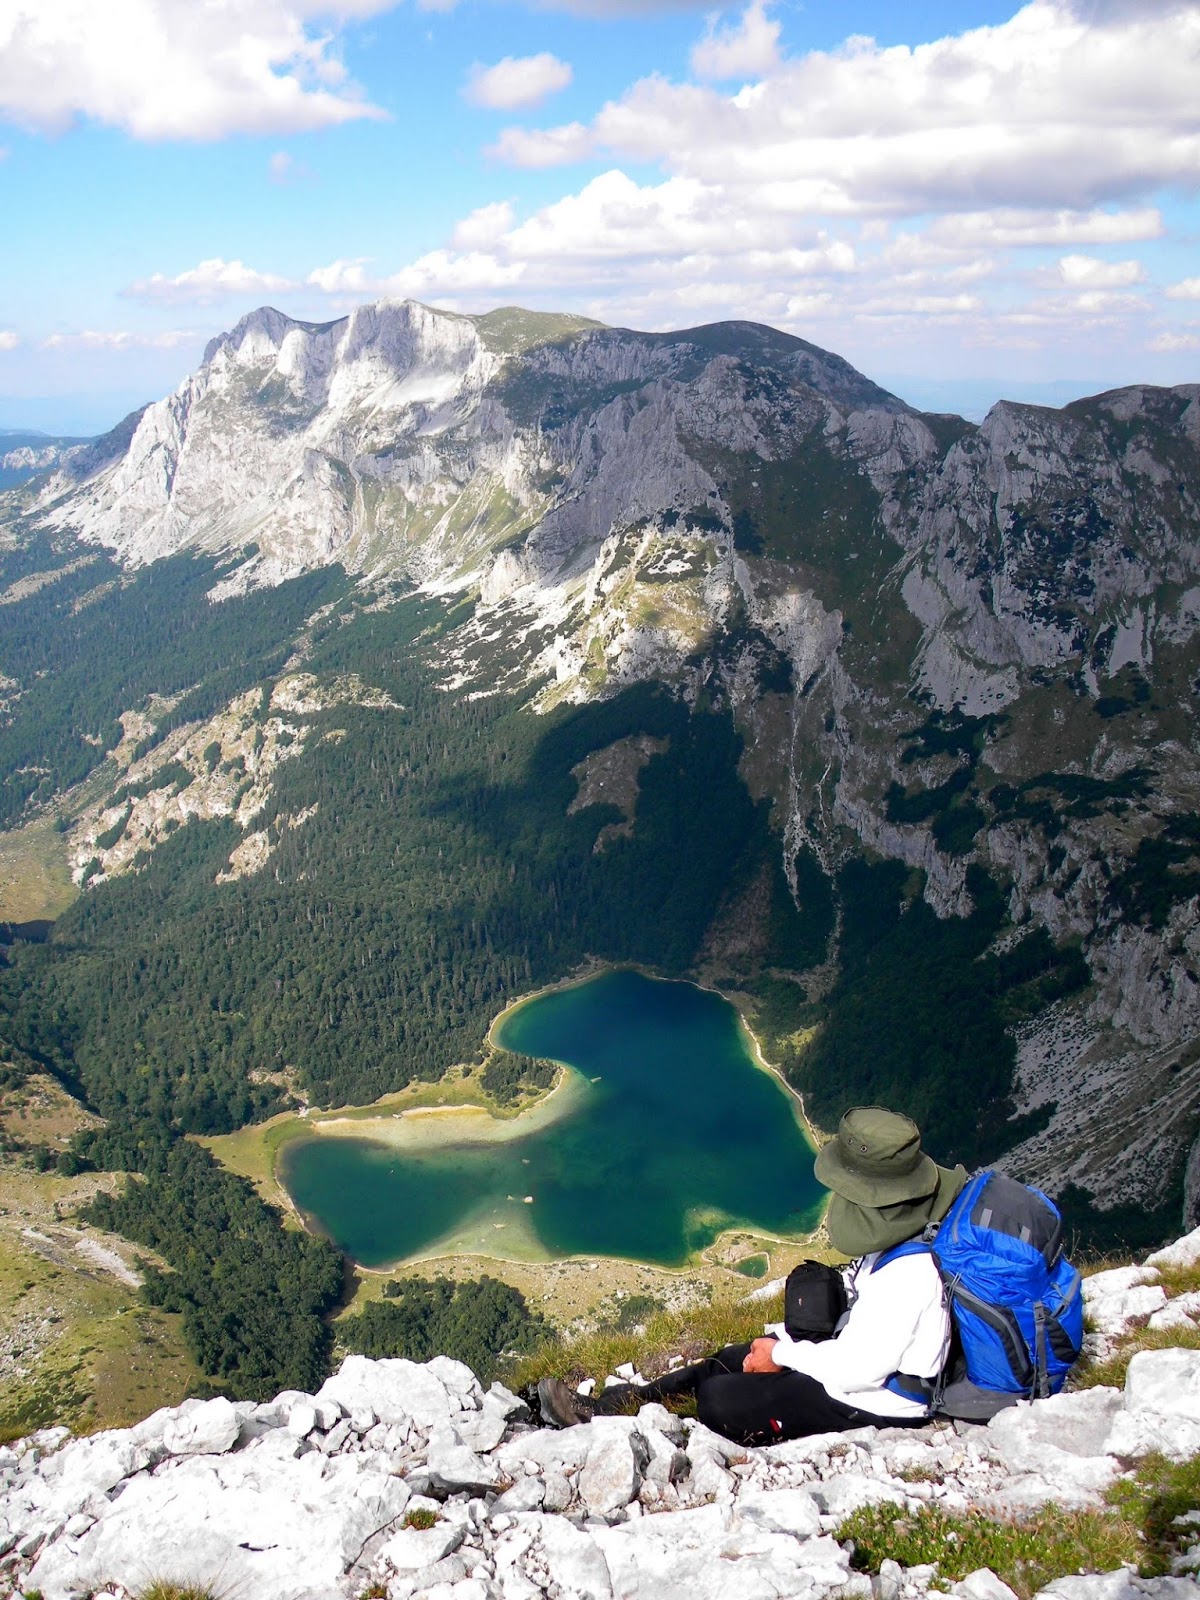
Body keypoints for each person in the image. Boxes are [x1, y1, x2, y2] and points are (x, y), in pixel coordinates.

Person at [537, 1106, 968, 1445]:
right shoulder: (907, 1233)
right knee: (731, 1356)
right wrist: (779, 1345)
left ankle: (655, 1434)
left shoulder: (911, 1273)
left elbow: (861, 1369)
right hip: (858, 1366)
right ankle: (614, 1406)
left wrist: (781, 1356)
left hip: (879, 1403)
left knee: (718, 1400)